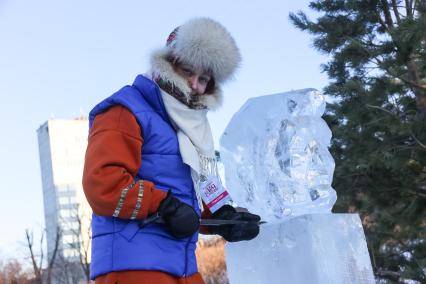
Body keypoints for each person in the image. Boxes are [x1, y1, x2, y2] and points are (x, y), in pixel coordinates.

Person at [82, 17, 260, 284]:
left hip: (181, 264)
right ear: (167, 63)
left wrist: (222, 217)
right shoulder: (126, 109)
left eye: (204, 79)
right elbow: (102, 183)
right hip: (134, 264)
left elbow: (186, 192)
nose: (195, 85)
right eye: (188, 71)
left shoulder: (188, 127)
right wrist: (164, 205)